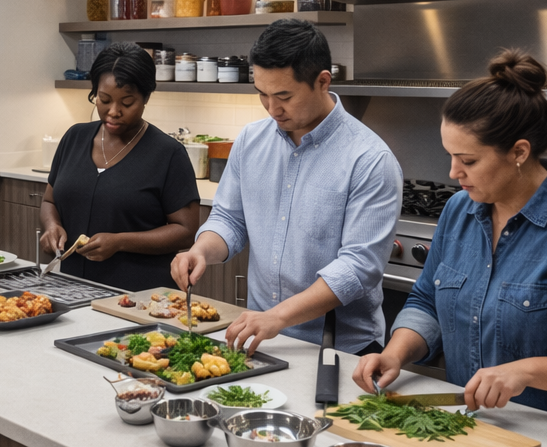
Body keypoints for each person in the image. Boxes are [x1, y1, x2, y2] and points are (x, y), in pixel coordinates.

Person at [352, 49, 547, 440]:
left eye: (468, 160)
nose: (453, 172)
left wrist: (524, 372)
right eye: (450, 156)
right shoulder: (459, 211)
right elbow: (427, 301)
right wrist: (395, 352)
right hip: (489, 433)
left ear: (519, 152)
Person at [172, 19, 402, 356]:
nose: (271, 108)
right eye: (262, 94)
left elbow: (356, 269)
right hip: (263, 338)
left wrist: (276, 317)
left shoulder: (370, 159)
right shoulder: (251, 140)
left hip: (340, 349)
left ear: (323, 81)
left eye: (284, 96)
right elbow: (230, 220)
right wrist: (201, 250)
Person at [39, 43, 200, 291]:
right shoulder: (74, 137)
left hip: (138, 295)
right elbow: (50, 201)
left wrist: (120, 242)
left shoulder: (168, 154)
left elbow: (186, 231)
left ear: (146, 98)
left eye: (127, 102)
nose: (113, 112)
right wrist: (52, 226)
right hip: (71, 286)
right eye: (103, 100)